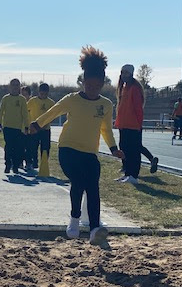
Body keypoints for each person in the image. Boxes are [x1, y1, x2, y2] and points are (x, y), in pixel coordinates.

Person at [29, 46, 124, 246]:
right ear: (83, 82)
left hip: (90, 152)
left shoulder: (106, 105)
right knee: (79, 181)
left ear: (102, 84)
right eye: (89, 85)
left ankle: (94, 229)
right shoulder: (72, 99)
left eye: (97, 86)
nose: (92, 89)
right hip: (68, 149)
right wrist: (37, 124)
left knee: (93, 187)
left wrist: (113, 148)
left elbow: (106, 129)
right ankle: (74, 219)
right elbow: (53, 112)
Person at [114, 64, 144, 185]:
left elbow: (138, 108)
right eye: (122, 72)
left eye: (126, 73)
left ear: (131, 74)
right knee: (124, 149)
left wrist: (139, 124)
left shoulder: (135, 88)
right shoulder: (124, 88)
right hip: (123, 125)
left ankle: (133, 175)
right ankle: (127, 173)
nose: (123, 75)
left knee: (133, 152)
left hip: (133, 125)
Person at [0, 79, 29, 174]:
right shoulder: (6, 98)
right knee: (9, 146)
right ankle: (7, 164)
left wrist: (26, 126)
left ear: (19, 87)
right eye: (13, 85)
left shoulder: (22, 99)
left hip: (18, 128)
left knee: (17, 148)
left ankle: (15, 166)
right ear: (10, 87)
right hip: (7, 127)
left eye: (17, 85)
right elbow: (0, 111)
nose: (15, 87)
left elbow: (25, 114)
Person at [27, 83, 55, 170]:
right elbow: (26, 111)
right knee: (33, 147)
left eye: (45, 94)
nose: (43, 96)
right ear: (39, 92)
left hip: (45, 129)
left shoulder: (51, 102)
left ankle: (44, 163)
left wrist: (47, 123)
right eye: (42, 94)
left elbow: (53, 116)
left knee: (45, 147)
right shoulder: (32, 101)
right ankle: (34, 162)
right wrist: (28, 124)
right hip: (34, 129)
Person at [20, 86, 33, 170]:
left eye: (26, 95)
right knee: (20, 147)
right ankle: (20, 162)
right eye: (22, 94)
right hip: (21, 128)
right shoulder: (19, 103)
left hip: (30, 129)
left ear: (29, 95)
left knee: (29, 147)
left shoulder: (32, 103)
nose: (24, 97)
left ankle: (29, 163)